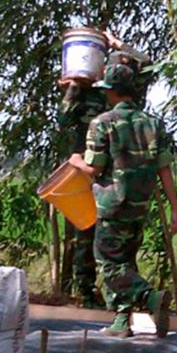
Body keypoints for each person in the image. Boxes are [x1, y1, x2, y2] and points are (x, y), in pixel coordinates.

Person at [68, 50, 177, 338]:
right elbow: (165, 168)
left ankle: (150, 298)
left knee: (109, 264)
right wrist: (175, 209)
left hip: (112, 205)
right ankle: (122, 321)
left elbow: (94, 167)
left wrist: (75, 161)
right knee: (126, 261)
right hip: (139, 205)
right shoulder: (153, 124)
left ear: (113, 91)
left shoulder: (102, 123)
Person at [58, 38, 112, 309]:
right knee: (84, 230)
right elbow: (64, 121)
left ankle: (115, 290)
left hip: (105, 171)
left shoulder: (106, 95)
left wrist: (117, 45)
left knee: (109, 231)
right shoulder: (76, 96)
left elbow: (144, 67)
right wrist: (72, 88)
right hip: (81, 171)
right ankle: (86, 290)